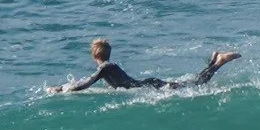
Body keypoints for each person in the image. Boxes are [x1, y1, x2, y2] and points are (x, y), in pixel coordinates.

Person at [59, 38, 239, 92]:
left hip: (149, 86)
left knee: (197, 85)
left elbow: (84, 84)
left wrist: (62, 90)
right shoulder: (108, 67)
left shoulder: (104, 68)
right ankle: (213, 61)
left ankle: (219, 62)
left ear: (95, 55)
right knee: (193, 83)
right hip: (148, 84)